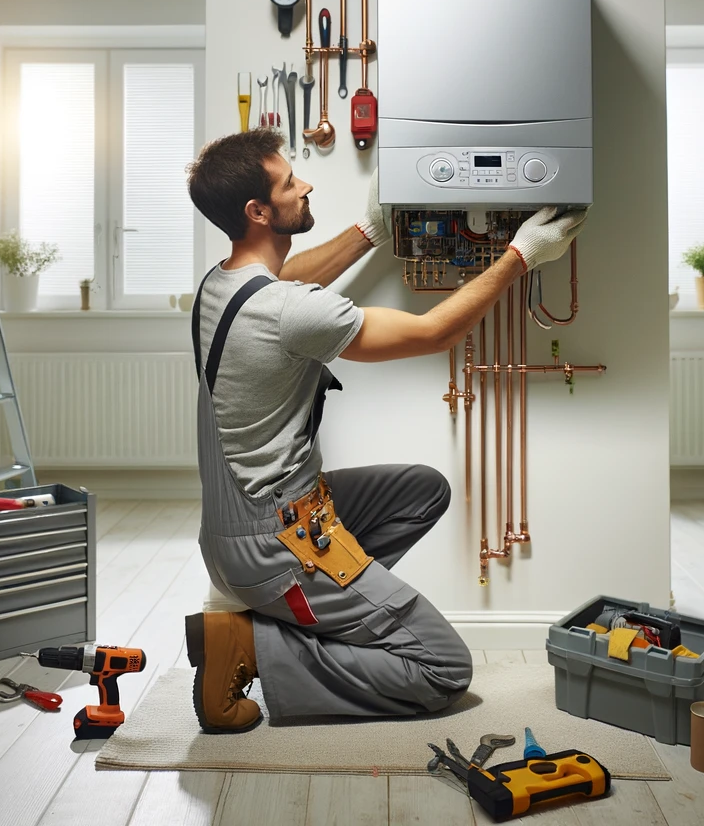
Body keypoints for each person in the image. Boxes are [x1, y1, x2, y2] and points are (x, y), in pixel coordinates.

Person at [183, 128, 586, 733]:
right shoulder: (290, 312)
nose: (307, 183)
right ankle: (254, 644)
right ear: (258, 211)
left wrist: (370, 230)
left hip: (241, 524)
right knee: (442, 669)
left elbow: (290, 279)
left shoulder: (221, 284)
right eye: (291, 182)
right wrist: (521, 255)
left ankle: (319, 613)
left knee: (423, 490)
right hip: (276, 547)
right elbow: (432, 334)